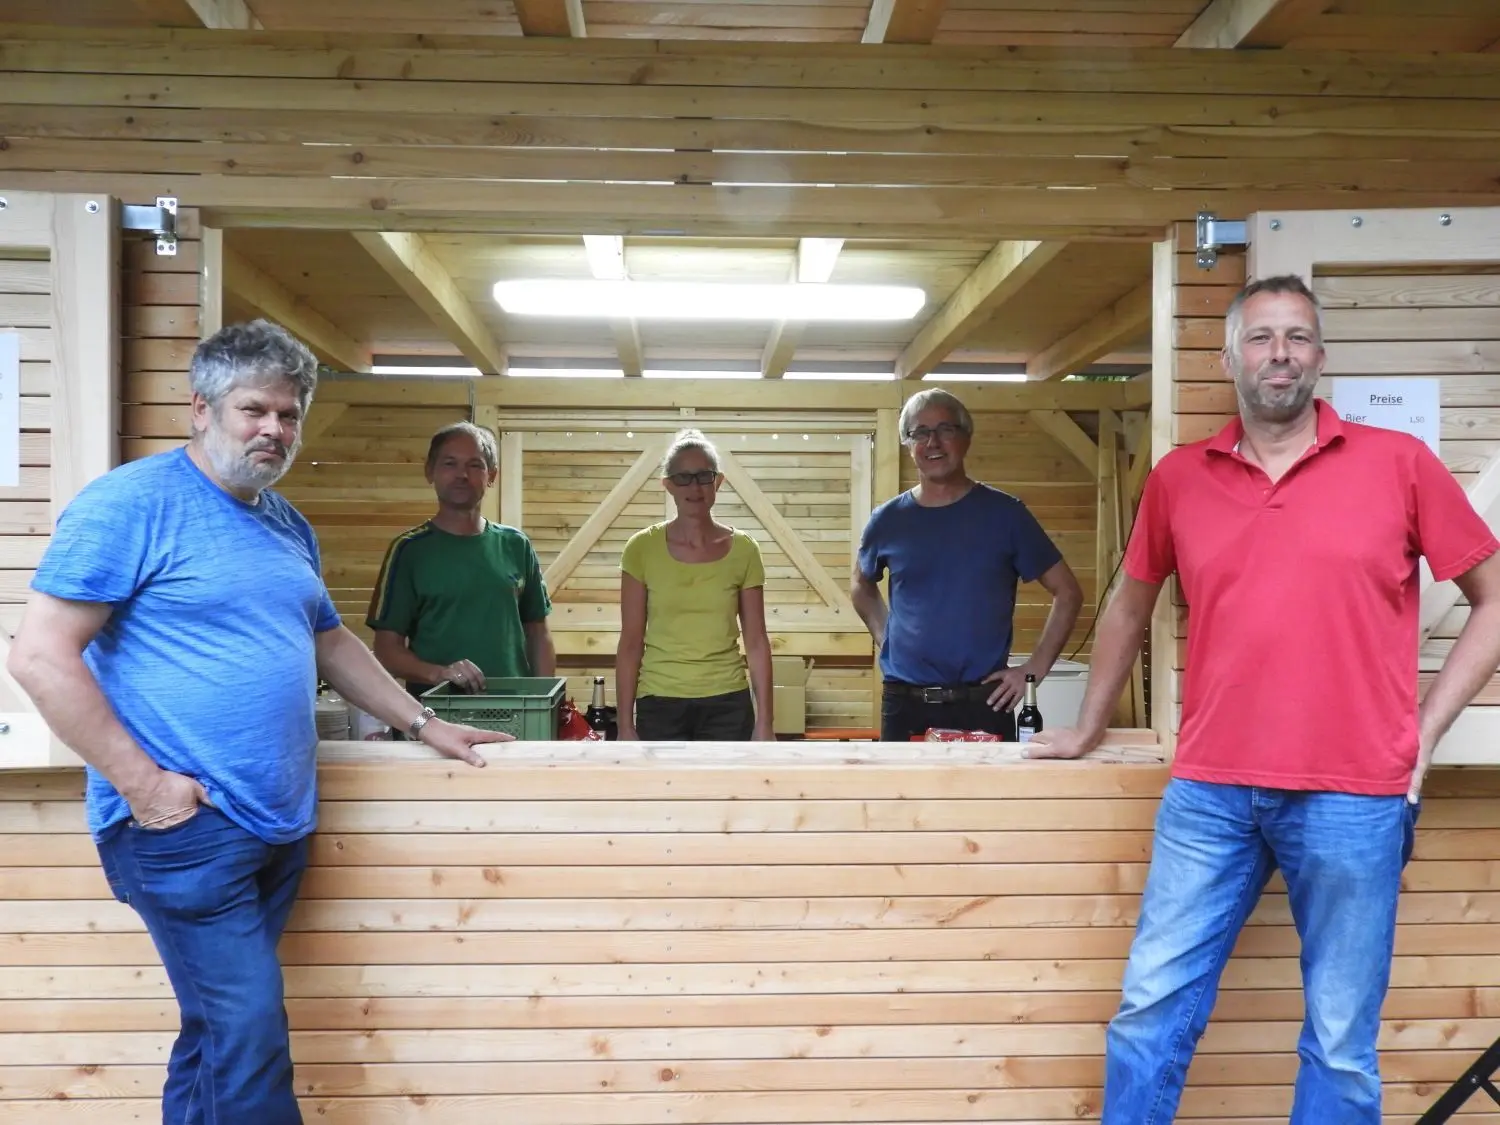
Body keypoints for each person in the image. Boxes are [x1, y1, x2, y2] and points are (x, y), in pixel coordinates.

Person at [6, 319, 511, 1125]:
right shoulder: (131, 505)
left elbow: (331, 641)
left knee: (217, 1033)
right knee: (249, 1034)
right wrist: (148, 787)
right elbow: (38, 656)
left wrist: (424, 723)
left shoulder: (285, 524)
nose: (274, 429)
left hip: (274, 825)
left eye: (288, 414)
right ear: (200, 408)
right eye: (254, 410)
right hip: (184, 827)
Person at [1028, 275, 1500, 1123]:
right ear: (1229, 356)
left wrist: (1424, 731)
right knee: (1147, 1015)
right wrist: (1086, 724)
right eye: (1261, 337)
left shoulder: (1399, 463)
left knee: (1341, 1043)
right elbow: (1129, 603)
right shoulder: (1180, 477)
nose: (1279, 353)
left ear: (1320, 357)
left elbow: (1495, 597)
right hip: (1210, 793)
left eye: (1297, 337)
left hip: (1355, 796)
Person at [852, 387, 1084, 742]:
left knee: (985, 800)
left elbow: (1068, 592)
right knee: (902, 799)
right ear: (907, 443)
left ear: (966, 438)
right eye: (920, 432)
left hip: (985, 702)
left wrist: (1033, 669)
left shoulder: (1006, 515)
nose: (934, 442)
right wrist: (886, 638)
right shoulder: (887, 521)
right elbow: (861, 585)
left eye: (946, 429)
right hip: (906, 703)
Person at [367, 421, 555, 698]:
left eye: (475, 465)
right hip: (437, 717)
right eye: (449, 463)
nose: (461, 475)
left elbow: (538, 634)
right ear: (430, 471)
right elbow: (386, 650)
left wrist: (544, 700)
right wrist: (440, 673)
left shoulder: (516, 545)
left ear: (492, 475)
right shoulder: (409, 551)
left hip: (515, 711)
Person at [615, 429, 774, 741]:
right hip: (659, 704)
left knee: (727, 791)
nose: (695, 487)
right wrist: (624, 726)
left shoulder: (744, 550)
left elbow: (756, 641)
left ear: (718, 481)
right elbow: (630, 642)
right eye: (683, 478)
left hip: (728, 703)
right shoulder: (640, 549)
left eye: (703, 476)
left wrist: (766, 724)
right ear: (668, 485)